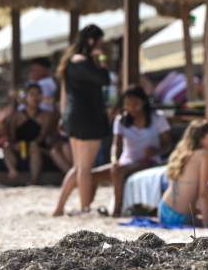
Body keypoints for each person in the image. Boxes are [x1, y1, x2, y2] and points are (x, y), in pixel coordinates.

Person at [53, 85, 171, 216]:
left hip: (149, 161)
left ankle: (117, 209)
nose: (132, 108)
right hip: (126, 162)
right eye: (128, 104)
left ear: (143, 102)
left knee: (114, 171)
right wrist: (114, 159)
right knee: (90, 176)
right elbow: (116, 145)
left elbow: (168, 144)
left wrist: (155, 151)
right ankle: (86, 208)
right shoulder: (121, 120)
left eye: (135, 104)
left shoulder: (157, 118)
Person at [55, 24, 110, 214]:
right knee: (85, 168)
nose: (103, 46)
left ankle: (59, 207)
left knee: (78, 166)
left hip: (73, 116)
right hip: (88, 117)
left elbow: (64, 93)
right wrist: (101, 58)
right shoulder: (84, 62)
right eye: (100, 42)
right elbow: (105, 79)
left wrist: (63, 117)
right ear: (91, 41)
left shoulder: (69, 61)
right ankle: (85, 208)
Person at [159, 120, 208, 227]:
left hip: (164, 209)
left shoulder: (181, 153)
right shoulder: (204, 154)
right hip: (178, 217)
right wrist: (207, 225)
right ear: (200, 140)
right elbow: (203, 194)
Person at [3, 83, 53, 183]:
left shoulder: (46, 115)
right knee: (6, 147)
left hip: (38, 146)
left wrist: (33, 143)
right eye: (32, 94)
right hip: (20, 146)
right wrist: (15, 144)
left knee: (34, 148)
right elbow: (11, 136)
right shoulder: (17, 116)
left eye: (38, 94)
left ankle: (34, 180)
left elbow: (42, 136)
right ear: (26, 97)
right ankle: (13, 171)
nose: (35, 97)